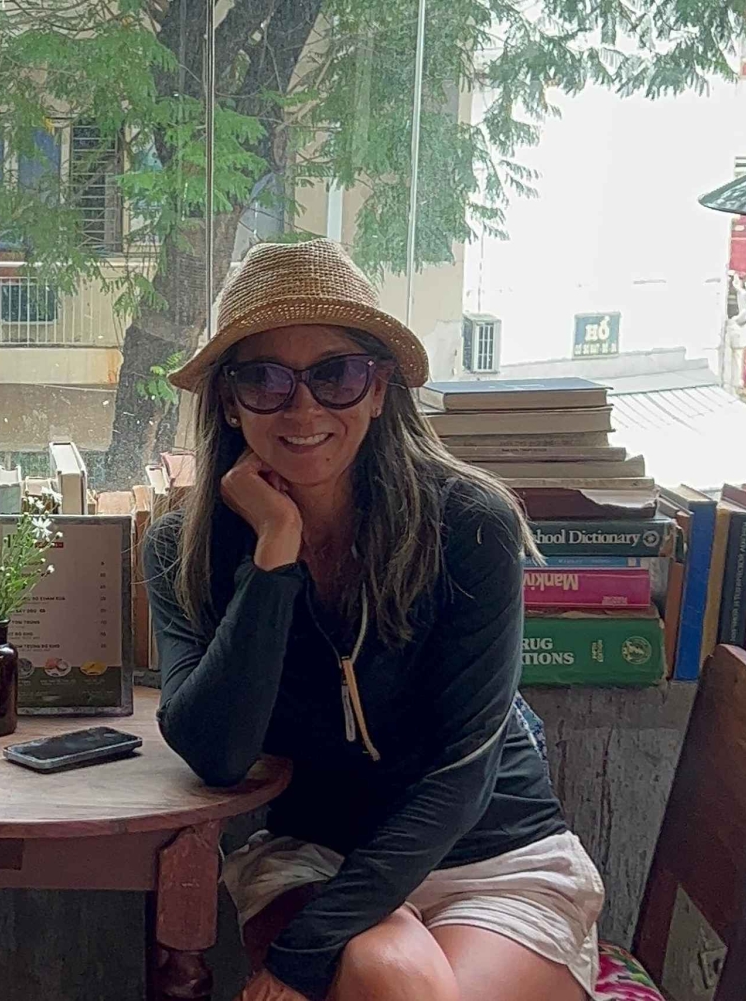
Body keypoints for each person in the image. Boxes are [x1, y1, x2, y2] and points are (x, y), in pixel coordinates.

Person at [145, 239, 604, 1001]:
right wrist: (274, 554)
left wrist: (302, 954)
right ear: (228, 399)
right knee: (386, 971)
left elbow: (463, 774)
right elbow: (217, 753)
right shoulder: (181, 549)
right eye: (265, 378)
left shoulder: (469, 524)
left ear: (379, 388)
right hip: (317, 854)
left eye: (336, 374)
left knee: (393, 983)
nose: (304, 408)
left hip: (493, 855)